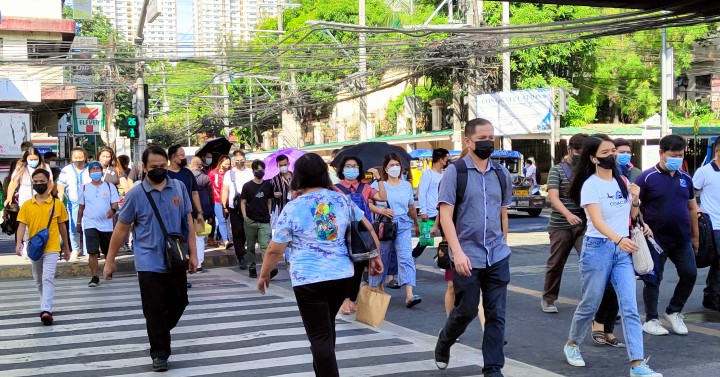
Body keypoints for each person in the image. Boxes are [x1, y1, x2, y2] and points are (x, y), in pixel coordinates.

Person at [258, 152, 383, 377]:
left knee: (319, 336)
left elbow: (275, 248)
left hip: (309, 279)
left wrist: (264, 274)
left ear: (299, 176)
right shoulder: (341, 199)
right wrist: (376, 257)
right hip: (342, 276)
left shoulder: (294, 207)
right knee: (325, 328)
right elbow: (367, 227)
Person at [563, 134, 661, 377]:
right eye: (605, 152)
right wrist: (619, 239)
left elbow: (632, 214)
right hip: (598, 248)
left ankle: (638, 364)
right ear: (594, 158)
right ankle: (572, 344)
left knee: (629, 307)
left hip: (622, 251)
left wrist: (636, 200)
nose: (612, 156)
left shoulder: (623, 181)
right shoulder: (590, 185)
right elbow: (596, 221)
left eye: (613, 151)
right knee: (590, 303)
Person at [104, 145, 198, 372]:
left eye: (162, 166)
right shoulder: (136, 194)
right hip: (148, 261)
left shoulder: (178, 187)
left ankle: (158, 331)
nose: (159, 170)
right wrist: (110, 260)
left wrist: (193, 254)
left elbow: (188, 222)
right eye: (153, 167)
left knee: (180, 301)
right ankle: (159, 354)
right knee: (154, 309)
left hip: (175, 257)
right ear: (144, 168)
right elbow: (121, 229)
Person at [434, 118, 513, 376]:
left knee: (496, 315)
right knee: (466, 310)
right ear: (468, 141)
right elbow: (446, 215)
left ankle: (492, 368)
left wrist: (505, 242)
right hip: (467, 255)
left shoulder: (501, 173)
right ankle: (445, 340)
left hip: (497, 255)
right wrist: (457, 252)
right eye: (481, 138)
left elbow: (503, 212)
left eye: (491, 137)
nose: (488, 142)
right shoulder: (455, 172)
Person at [636, 135, 699, 336]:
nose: (677, 159)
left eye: (680, 155)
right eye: (673, 155)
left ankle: (674, 311)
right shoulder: (646, 178)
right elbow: (635, 209)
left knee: (690, 274)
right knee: (653, 279)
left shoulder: (686, 178)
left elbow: (692, 207)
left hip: (682, 238)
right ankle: (651, 319)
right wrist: (643, 226)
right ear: (661, 153)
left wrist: (695, 236)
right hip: (655, 240)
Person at [15, 169, 70, 325]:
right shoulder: (27, 205)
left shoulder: (57, 204)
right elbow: (21, 225)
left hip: (52, 247)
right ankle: (44, 304)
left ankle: (46, 309)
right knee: (38, 279)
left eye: (42, 181)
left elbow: (62, 227)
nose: (39, 184)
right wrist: (19, 243)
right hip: (34, 248)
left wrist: (66, 248)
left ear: (49, 183)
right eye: (36, 182)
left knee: (47, 277)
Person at [334, 155, 387, 315]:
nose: (351, 169)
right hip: (343, 233)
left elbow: (383, 198)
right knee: (345, 266)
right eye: (348, 166)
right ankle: (344, 300)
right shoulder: (334, 188)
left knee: (358, 268)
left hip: (362, 233)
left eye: (355, 166)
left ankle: (351, 299)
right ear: (342, 170)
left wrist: (378, 178)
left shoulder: (365, 188)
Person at [542, 133, 588, 313]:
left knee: (589, 262)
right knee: (556, 263)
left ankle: (592, 300)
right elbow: (553, 197)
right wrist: (568, 215)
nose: (580, 155)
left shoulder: (588, 169)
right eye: (578, 151)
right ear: (570, 149)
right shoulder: (557, 170)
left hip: (584, 224)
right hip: (561, 224)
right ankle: (548, 299)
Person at [368, 153, 422, 308]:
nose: (394, 168)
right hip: (384, 224)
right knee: (382, 257)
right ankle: (377, 287)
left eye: (396, 165)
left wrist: (416, 224)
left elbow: (411, 207)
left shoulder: (406, 185)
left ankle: (409, 294)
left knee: (406, 257)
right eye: (391, 165)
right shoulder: (378, 184)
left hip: (404, 223)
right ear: (385, 168)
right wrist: (382, 211)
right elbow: (369, 203)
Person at [77, 162, 119, 287]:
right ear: (89, 172)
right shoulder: (84, 187)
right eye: (92, 169)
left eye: (97, 169)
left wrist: (113, 211)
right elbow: (81, 207)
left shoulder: (110, 186)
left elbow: (115, 203)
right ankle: (94, 276)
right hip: (90, 223)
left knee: (108, 251)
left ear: (101, 171)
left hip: (106, 225)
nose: (95, 171)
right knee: (93, 252)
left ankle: (108, 270)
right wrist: (79, 222)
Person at [5, 149, 54, 251]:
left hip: (41, 201)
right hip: (25, 201)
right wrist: (9, 197)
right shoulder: (21, 168)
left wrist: (47, 195)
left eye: (35, 159)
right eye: (30, 159)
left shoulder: (45, 167)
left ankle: (41, 244)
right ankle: (28, 245)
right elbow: (13, 183)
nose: (33, 161)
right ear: (26, 159)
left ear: (39, 158)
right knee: (25, 225)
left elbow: (50, 183)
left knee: (40, 223)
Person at [693, 140, 720, 311]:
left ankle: (712, 294)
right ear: (718, 151)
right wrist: (698, 211)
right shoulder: (704, 172)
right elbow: (691, 194)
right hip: (714, 224)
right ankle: (712, 295)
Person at [241, 160, 275, 278]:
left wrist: (269, 213)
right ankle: (252, 267)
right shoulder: (247, 186)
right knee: (250, 246)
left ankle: (268, 269)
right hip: (250, 220)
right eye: (258, 170)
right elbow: (243, 202)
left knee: (265, 245)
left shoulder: (268, 185)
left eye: (262, 170)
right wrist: (245, 217)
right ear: (253, 171)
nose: (261, 172)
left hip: (264, 220)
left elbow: (269, 200)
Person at [413, 148, 449, 258]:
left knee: (447, 238)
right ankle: (412, 258)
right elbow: (422, 193)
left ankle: (445, 261)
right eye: (446, 158)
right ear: (440, 159)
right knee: (425, 241)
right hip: (430, 213)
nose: (447, 160)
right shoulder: (428, 174)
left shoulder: (445, 174)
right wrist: (423, 211)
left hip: (443, 212)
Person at [56, 147, 90, 260]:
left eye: (80, 157)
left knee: (88, 227)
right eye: (76, 157)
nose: (78, 159)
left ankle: (88, 250)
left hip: (89, 203)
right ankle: (76, 249)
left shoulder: (91, 168)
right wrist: (60, 192)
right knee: (74, 227)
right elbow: (61, 184)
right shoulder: (66, 169)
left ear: (85, 157)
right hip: (73, 203)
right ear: (71, 158)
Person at [222, 150, 253, 268]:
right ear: (233, 161)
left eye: (241, 160)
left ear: (245, 159)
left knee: (246, 231)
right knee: (236, 231)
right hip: (234, 206)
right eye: (237, 161)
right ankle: (240, 256)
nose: (239, 162)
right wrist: (224, 205)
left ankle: (243, 250)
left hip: (249, 206)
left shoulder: (250, 172)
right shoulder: (229, 174)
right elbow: (225, 190)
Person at [190, 156, 214, 270]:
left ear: (191, 164)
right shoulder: (205, 178)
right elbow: (210, 197)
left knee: (188, 237)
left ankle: (190, 261)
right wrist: (209, 214)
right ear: (200, 166)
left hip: (188, 212)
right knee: (199, 238)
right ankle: (198, 263)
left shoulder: (186, 177)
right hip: (201, 213)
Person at [208, 156, 232, 249]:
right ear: (220, 163)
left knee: (225, 221)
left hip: (228, 200)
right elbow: (209, 186)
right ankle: (226, 241)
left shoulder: (230, 173)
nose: (227, 166)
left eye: (228, 164)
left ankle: (219, 237)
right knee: (221, 220)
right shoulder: (213, 173)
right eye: (225, 164)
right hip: (216, 200)